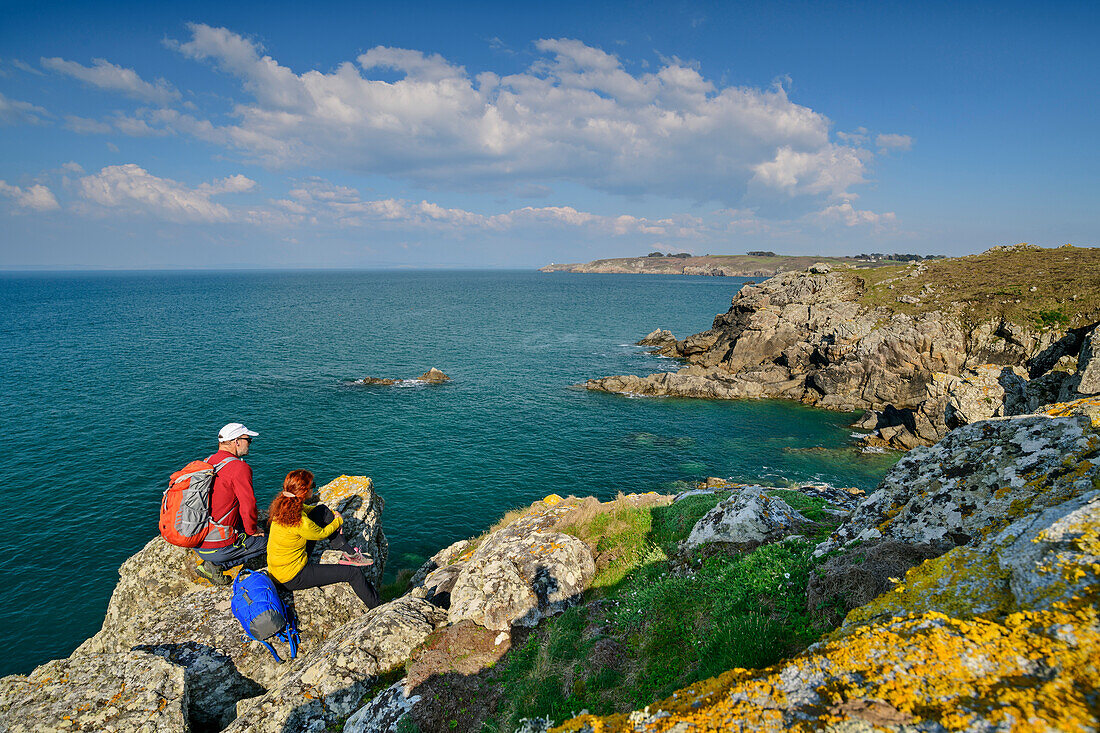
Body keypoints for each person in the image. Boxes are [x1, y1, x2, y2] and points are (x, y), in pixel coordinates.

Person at [267, 469, 379, 608]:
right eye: (312, 485)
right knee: (353, 573)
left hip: (278, 572)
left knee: (321, 510)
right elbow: (321, 533)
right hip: (293, 577)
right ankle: (378, 607)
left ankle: (347, 550)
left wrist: (330, 513)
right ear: (304, 491)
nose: (314, 487)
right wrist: (338, 521)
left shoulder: (283, 507)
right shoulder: (300, 522)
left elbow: (307, 509)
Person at [192, 422, 268, 586]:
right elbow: (248, 505)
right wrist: (252, 531)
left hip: (197, 538)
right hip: (217, 546)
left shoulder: (208, 461)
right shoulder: (239, 468)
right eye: (249, 440)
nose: (249, 444)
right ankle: (214, 566)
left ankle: (213, 560)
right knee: (269, 542)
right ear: (237, 441)